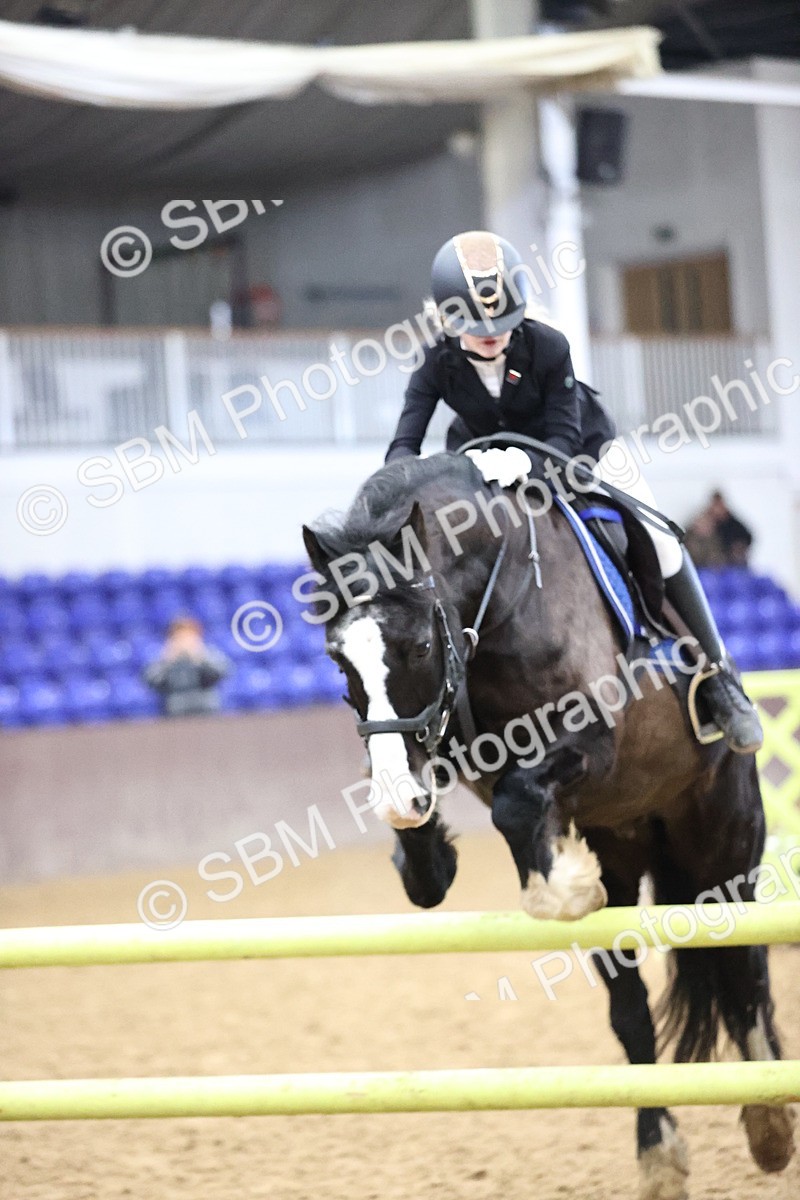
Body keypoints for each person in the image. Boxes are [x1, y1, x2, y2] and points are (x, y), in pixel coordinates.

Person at [384, 229, 763, 754]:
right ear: (447, 321)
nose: (492, 335)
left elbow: (562, 436)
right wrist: (408, 490)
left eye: (502, 322)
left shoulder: (548, 346)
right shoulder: (434, 364)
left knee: (662, 542)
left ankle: (721, 679)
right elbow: (403, 445)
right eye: (476, 327)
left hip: (581, 449)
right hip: (482, 458)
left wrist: (528, 463)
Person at [143, 615, 230, 718]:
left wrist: (200, 657)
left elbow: (222, 673)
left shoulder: (208, 653)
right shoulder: (163, 656)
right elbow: (150, 681)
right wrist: (167, 661)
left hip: (206, 705)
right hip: (175, 707)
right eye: (179, 637)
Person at [686, 490, 754, 568]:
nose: (717, 509)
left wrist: (738, 547)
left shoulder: (733, 523)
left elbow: (747, 538)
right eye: (715, 505)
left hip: (730, 563)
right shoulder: (706, 520)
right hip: (708, 564)